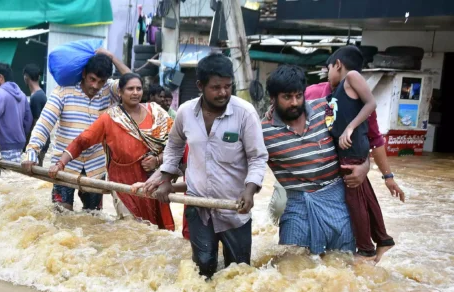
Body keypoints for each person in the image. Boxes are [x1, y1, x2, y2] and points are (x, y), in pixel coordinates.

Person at [139, 54, 269, 278]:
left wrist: (250, 191)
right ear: (200, 86)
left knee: (237, 272)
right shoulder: (186, 112)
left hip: (234, 208)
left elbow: (257, 158)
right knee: (203, 267)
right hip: (198, 205)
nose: (223, 93)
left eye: (228, 86)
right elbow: (174, 147)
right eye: (216, 87)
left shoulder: (245, 113)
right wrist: (166, 181)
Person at [48, 73, 175, 229]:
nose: (135, 92)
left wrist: (158, 160)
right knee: (131, 229)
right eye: (130, 89)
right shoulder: (110, 118)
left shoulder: (157, 113)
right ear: (120, 92)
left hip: (154, 182)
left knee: (157, 233)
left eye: (138, 88)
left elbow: (176, 146)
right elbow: (82, 141)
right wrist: (60, 164)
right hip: (123, 186)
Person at [262, 65, 358, 256]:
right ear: (273, 99)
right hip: (297, 203)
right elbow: (245, 165)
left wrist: (365, 166)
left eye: (298, 95)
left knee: (342, 265)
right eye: (287, 97)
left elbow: (361, 140)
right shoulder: (264, 132)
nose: (294, 102)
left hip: (337, 201)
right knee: (291, 265)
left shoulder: (326, 109)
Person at [21, 50, 131, 211]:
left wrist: (113, 57)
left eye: (100, 81)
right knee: (61, 215)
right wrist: (32, 153)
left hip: (95, 166)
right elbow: (44, 124)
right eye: (92, 79)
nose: (95, 86)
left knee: (93, 217)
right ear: (84, 74)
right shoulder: (63, 91)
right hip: (63, 166)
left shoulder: (109, 90)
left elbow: (132, 82)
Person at [325, 46, 396, 262]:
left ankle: (365, 249)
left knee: (354, 200)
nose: (327, 74)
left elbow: (371, 103)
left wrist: (350, 128)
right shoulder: (336, 91)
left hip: (353, 151)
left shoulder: (352, 77)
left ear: (338, 65)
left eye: (327, 68)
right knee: (366, 196)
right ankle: (383, 240)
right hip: (352, 152)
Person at [23, 64, 48, 165]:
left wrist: (28, 143)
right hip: (42, 141)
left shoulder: (36, 97)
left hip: (38, 142)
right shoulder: (40, 94)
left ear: (26, 77)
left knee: (35, 170)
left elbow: (37, 122)